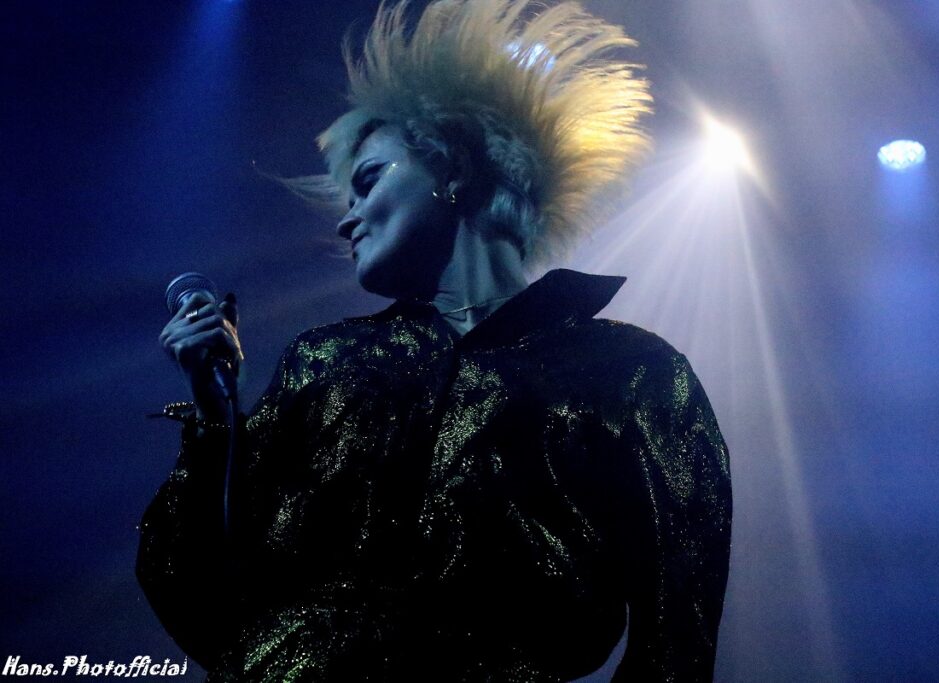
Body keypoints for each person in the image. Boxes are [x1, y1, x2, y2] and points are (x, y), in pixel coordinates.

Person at [138, 1, 732, 681]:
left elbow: (676, 642)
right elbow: (208, 593)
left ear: (453, 166)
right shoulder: (324, 362)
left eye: (368, 181)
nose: (346, 222)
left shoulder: (629, 374)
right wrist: (214, 419)